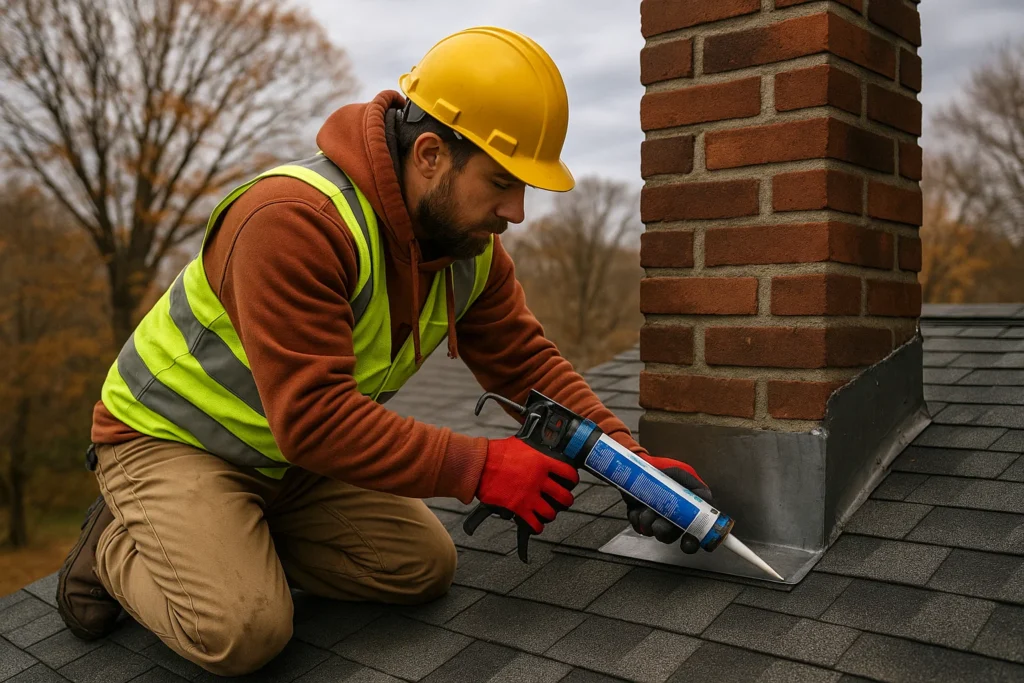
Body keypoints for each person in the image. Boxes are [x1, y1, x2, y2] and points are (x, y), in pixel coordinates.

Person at [55, 26, 713, 676]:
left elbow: (527, 365)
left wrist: (637, 468)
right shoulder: (293, 221)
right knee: (244, 630)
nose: (517, 210)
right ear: (430, 153)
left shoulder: (469, 251)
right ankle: (117, 540)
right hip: (171, 442)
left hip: (292, 462)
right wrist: (481, 468)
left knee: (422, 566)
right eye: (503, 181)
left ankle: (227, 539)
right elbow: (314, 416)